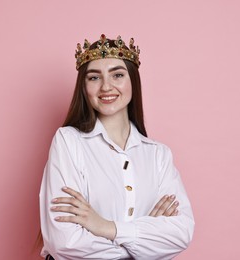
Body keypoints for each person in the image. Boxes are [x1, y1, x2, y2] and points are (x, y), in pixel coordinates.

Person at [39, 34, 195, 260]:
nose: (106, 86)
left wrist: (106, 227)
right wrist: (143, 243)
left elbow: (180, 234)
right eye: (94, 78)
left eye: (118, 75)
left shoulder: (158, 155)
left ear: (133, 81)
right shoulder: (68, 141)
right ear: (84, 87)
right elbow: (65, 242)